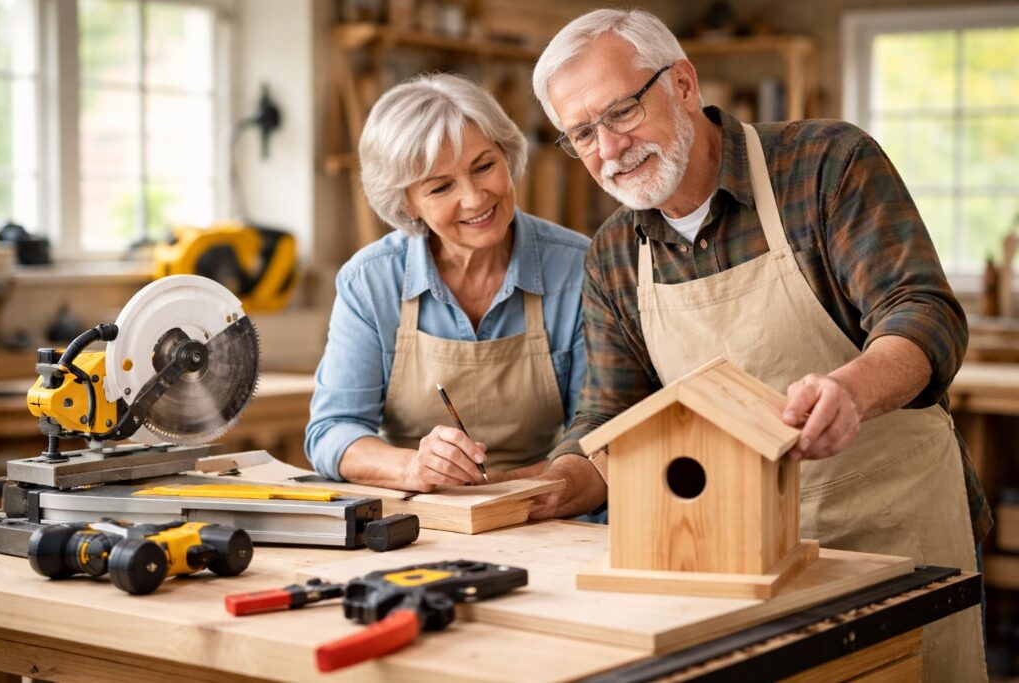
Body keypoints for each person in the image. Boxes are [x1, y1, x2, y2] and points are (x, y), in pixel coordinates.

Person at [528, 9, 988, 681]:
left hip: (893, 539)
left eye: (621, 112)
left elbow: (922, 313)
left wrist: (850, 389)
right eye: (582, 133)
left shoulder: (827, 164)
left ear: (682, 83)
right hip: (739, 566)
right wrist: (540, 487)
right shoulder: (614, 257)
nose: (608, 148)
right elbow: (606, 425)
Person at [305, 73, 590, 493]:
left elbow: (600, 425)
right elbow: (332, 431)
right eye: (441, 187)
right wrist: (412, 468)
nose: (475, 198)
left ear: (507, 156)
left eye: (484, 166)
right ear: (407, 203)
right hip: (421, 515)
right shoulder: (370, 280)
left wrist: (533, 484)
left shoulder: (579, 268)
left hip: (547, 499)